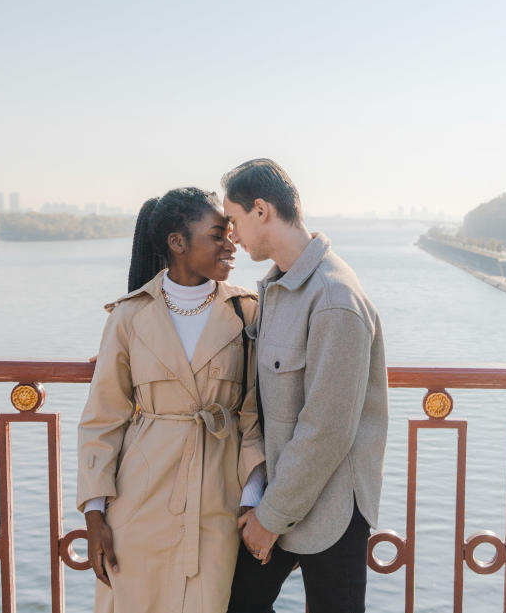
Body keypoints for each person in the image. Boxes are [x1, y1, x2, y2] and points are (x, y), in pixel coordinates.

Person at [77, 187, 266, 613]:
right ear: (178, 244)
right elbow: (102, 419)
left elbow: (255, 414)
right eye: (217, 234)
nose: (231, 244)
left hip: (221, 501)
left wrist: (252, 501)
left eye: (231, 233)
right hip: (139, 501)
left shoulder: (246, 312)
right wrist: (94, 516)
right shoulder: (129, 316)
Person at [222, 158, 388, 613]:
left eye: (233, 220)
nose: (231, 234)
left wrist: (269, 517)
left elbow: (327, 429)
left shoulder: (334, 299)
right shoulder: (279, 288)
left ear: (261, 210)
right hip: (282, 497)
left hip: (331, 510)